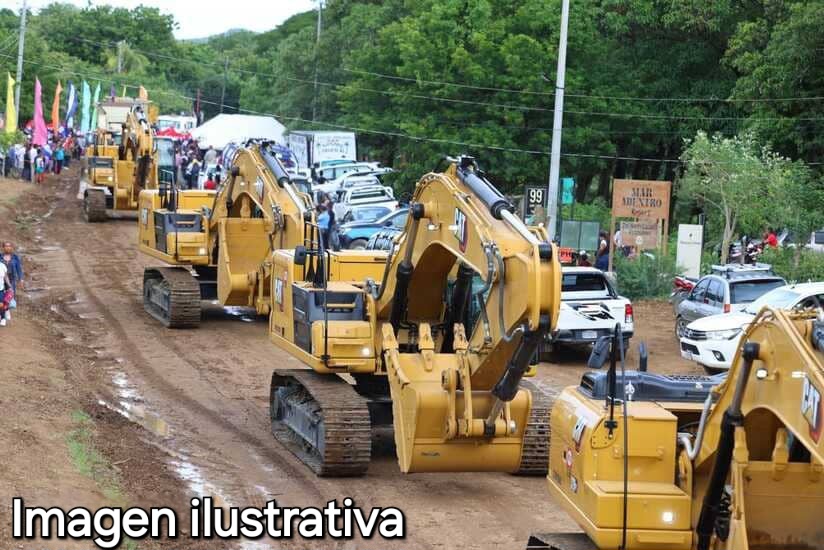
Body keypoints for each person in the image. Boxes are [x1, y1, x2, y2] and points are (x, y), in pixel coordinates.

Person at [0, 242, 22, 324]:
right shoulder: (0, 257)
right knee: (2, 298)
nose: (8, 248)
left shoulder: (15, 257)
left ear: (12, 248)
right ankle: (5, 311)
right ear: (3, 247)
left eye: (9, 246)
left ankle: (7, 310)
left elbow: (19, 268)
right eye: (6, 246)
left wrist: (21, 279)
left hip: (11, 280)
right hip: (1, 279)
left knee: (9, 296)